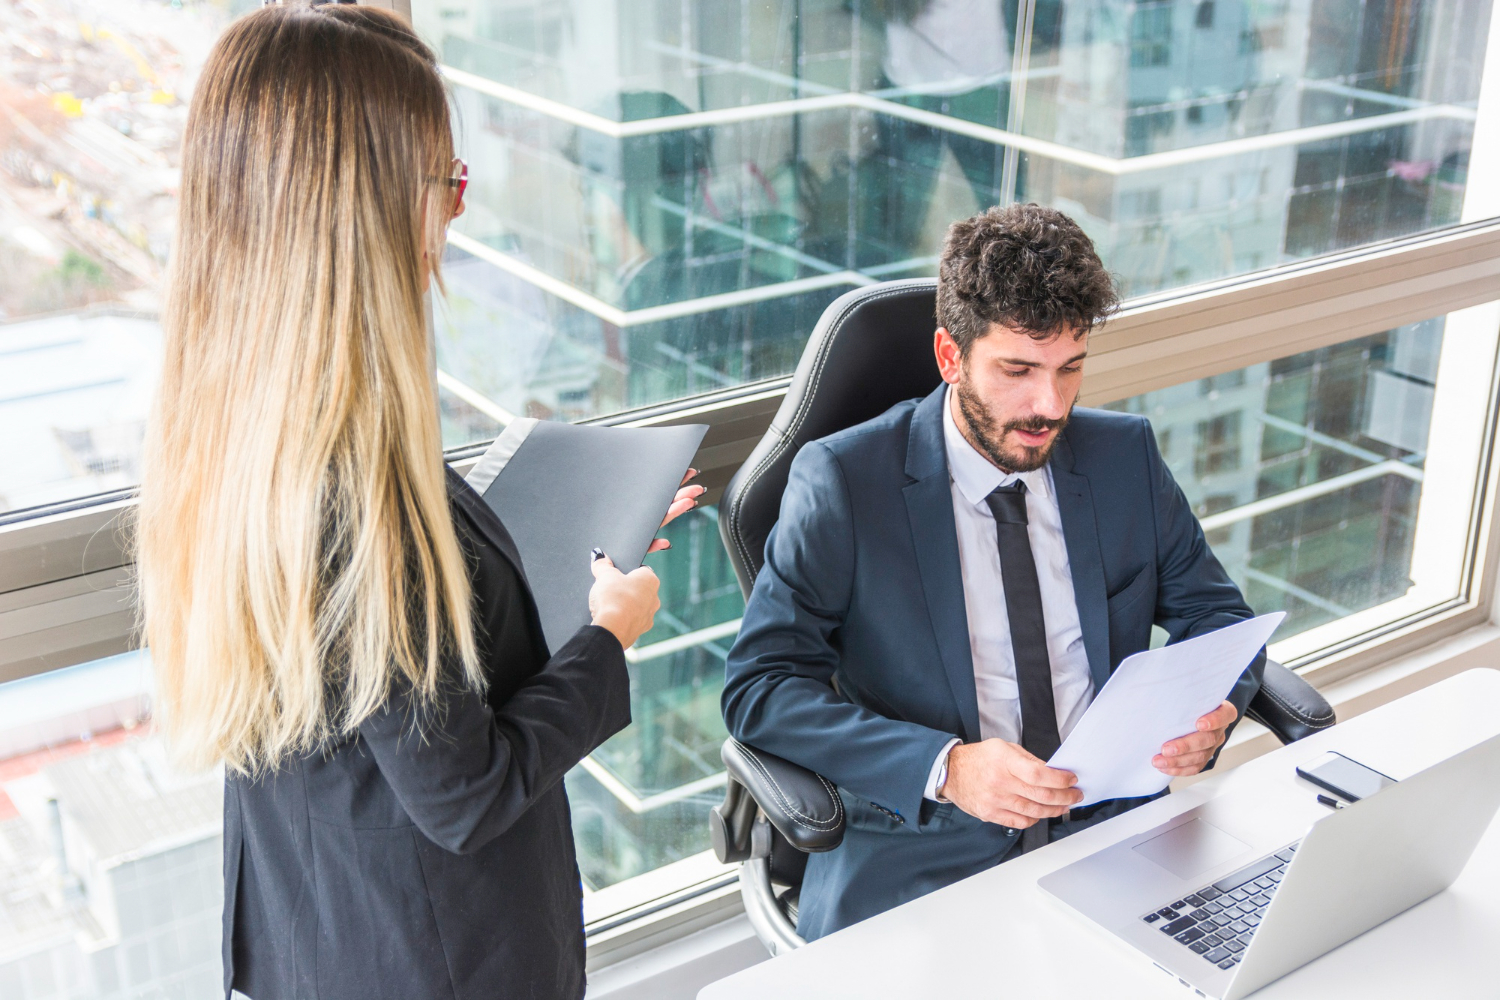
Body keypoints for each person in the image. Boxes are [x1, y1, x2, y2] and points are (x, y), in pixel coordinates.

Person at [133, 6, 702, 999]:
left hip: (322, 919)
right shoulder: (354, 484)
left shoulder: (241, 420)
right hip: (435, 955)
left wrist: (541, 557)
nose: (459, 211)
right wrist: (611, 632)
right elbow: (466, 790)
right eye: (448, 180)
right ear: (366, 206)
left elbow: (379, 661)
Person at [721, 202, 1265, 940]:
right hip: (925, 860)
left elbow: (1220, 619)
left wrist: (1215, 713)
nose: (1050, 405)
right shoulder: (845, 484)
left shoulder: (1122, 459)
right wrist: (945, 767)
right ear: (951, 358)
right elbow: (761, 688)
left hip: (1115, 833)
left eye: (1070, 369)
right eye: (1017, 370)